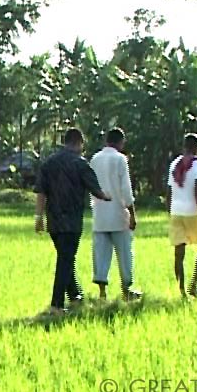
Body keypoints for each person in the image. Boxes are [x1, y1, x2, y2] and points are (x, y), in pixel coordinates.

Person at [34, 128, 111, 315]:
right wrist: (111, 197)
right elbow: (97, 191)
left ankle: (75, 296)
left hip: (54, 221)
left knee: (65, 258)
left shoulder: (48, 163)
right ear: (79, 143)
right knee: (65, 261)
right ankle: (57, 304)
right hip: (72, 222)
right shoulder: (80, 163)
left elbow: (41, 192)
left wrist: (39, 217)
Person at [89, 128, 142, 302]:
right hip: (118, 214)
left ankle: (102, 293)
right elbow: (126, 189)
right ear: (121, 142)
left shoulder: (95, 159)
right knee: (125, 253)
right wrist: (132, 213)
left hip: (100, 215)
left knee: (101, 255)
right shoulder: (120, 159)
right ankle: (126, 290)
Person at [167, 133, 197, 298]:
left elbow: (169, 192)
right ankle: (194, 285)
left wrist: (170, 212)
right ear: (196, 147)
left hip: (176, 211)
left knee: (179, 252)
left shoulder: (174, 164)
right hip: (192, 211)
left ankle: (181, 291)